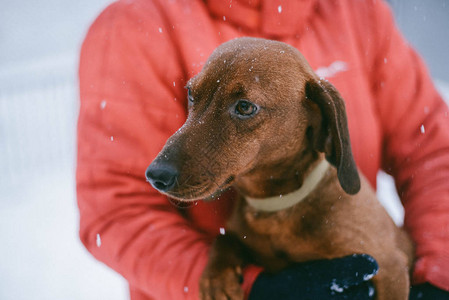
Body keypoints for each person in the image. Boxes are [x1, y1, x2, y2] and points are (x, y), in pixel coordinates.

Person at [76, 0, 449, 299]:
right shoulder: (135, 22)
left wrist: (437, 280)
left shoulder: (358, 11)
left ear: (319, 121)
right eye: (194, 95)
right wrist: (248, 287)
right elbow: (115, 210)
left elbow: (436, 153)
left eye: (244, 108)